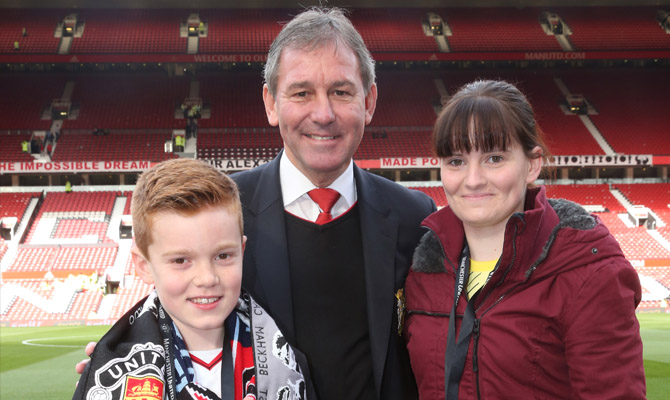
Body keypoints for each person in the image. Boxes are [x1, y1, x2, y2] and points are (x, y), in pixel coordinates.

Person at [76, 7, 435, 399]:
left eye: (341, 91)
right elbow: (175, 303)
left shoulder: (414, 217)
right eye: (301, 93)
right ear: (270, 103)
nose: (323, 113)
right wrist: (118, 355)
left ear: (368, 101)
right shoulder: (222, 212)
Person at [402, 80, 646, 398]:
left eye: (494, 158)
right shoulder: (423, 274)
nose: (472, 180)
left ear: (532, 165)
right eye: (456, 161)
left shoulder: (587, 272)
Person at [73, 159, 314, 400]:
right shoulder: (110, 373)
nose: (207, 278)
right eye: (180, 260)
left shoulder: (287, 361)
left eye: (223, 256)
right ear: (143, 265)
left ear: (242, 251)